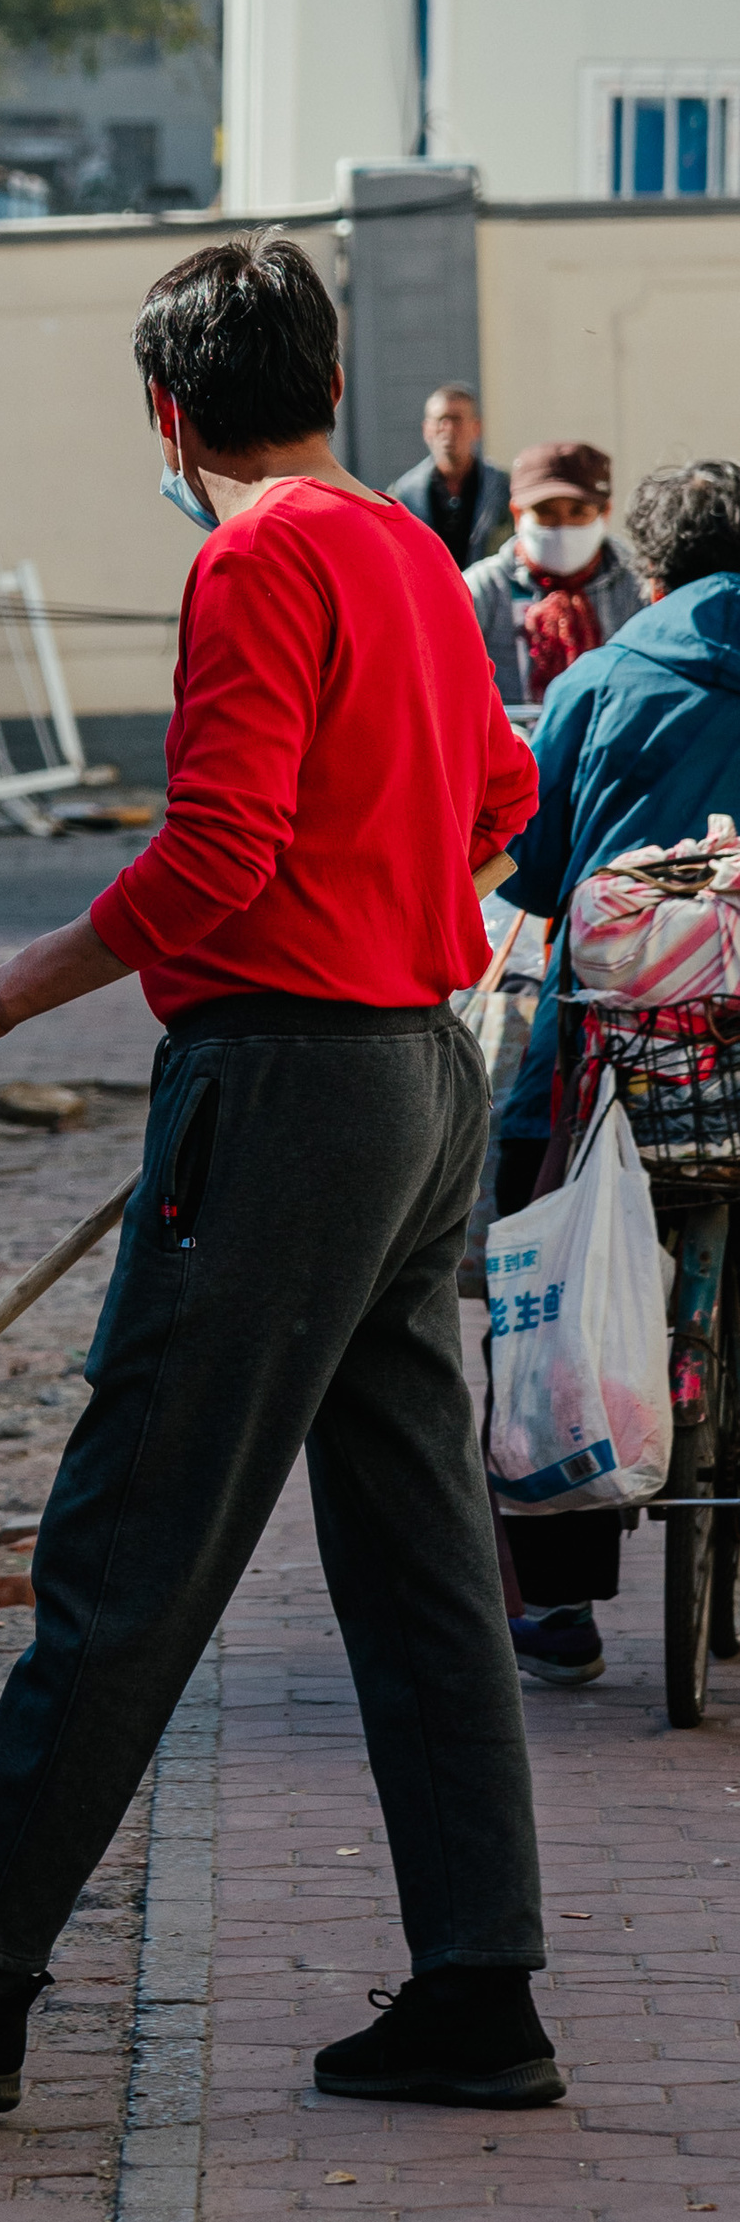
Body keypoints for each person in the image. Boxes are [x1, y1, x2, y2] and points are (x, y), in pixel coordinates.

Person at [0, 231, 559, 2120]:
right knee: (425, 1562)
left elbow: (220, 847)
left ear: (171, 412)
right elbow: (505, 799)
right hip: (422, 1075)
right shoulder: (421, 556)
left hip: (284, 1084)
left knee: (131, 1543)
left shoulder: (255, 553)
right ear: (334, 386)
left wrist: (0, 988)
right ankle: (477, 1986)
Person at [480, 458, 740, 1688]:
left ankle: (557, 1599)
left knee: (542, 1253)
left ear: (645, 569)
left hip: (612, 1066)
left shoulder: (596, 678)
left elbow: (530, 874)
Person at [465, 441, 643, 713]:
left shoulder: (638, 586)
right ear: (517, 513)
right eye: (546, 512)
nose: (562, 526)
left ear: (604, 513)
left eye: (578, 512)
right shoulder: (481, 589)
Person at [392, 380, 511, 568]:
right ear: (426, 430)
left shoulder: (505, 489)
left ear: (476, 428)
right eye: (440, 420)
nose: (448, 429)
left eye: (456, 420)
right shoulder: (403, 495)